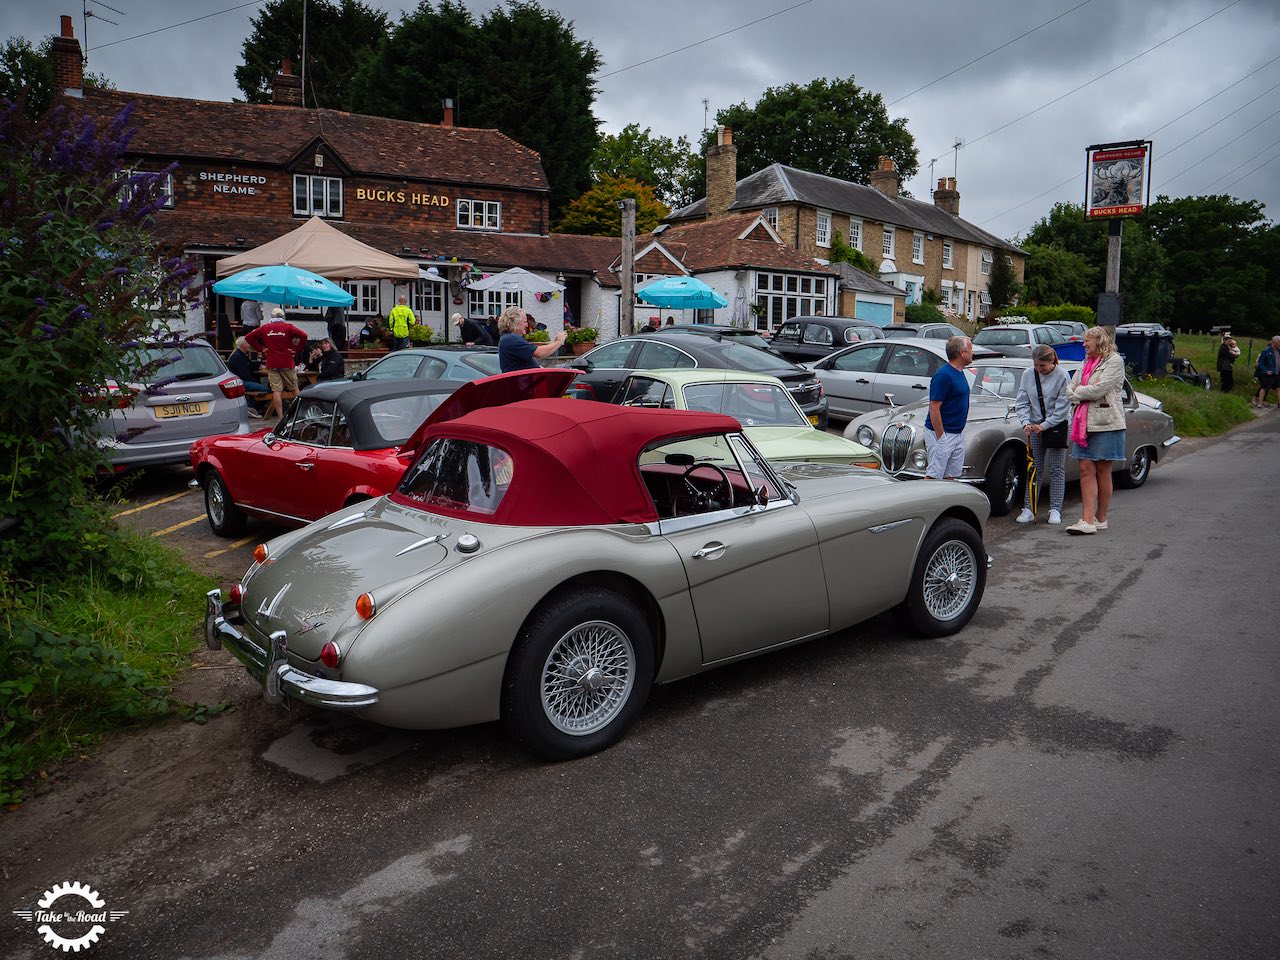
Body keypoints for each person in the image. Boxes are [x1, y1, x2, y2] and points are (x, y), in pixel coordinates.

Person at [1064, 326, 1126, 535]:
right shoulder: (1085, 362)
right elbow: (1069, 389)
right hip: (1084, 423)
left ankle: (1101, 518)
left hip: (1106, 422)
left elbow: (1099, 390)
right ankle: (1087, 520)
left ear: (1099, 342)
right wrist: (1082, 392)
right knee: (1085, 469)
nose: (1083, 345)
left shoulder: (1114, 361)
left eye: (1086, 342)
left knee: (1102, 470)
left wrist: (1079, 392)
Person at [1014, 344, 1070, 525]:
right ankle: (1029, 508)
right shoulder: (1028, 374)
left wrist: (1045, 425)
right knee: (1034, 468)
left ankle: (1055, 509)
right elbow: (1022, 402)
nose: (1039, 369)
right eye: (1036, 365)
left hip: (1056, 427)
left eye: (1043, 366)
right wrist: (1026, 423)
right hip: (1034, 427)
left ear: (1052, 361)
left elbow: (1063, 408)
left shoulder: (1062, 375)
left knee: (1056, 469)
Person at [923, 335, 974, 479]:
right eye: (970, 349)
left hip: (957, 433)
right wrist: (941, 437)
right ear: (962, 353)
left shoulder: (960, 372)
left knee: (951, 476)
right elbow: (934, 407)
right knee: (933, 476)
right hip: (941, 434)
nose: (973, 352)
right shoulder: (943, 376)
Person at [245, 307, 308, 421]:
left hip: (272, 362)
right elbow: (304, 335)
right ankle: (300, 413)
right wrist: (296, 349)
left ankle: (280, 417)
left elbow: (249, 337)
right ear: (282, 316)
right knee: (294, 389)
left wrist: (261, 349)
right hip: (286, 362)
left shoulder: (265, 328)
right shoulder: (288, 327)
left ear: (272, 317)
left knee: (276, 391)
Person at [497, 304, 565, 372]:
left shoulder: (508, 338)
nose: (527, 325)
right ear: (514, 322)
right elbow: (540, 352)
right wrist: (559, 342)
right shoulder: (511, 339)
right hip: (524, 381)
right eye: (525, 322)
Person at [226, 336, 268, 418]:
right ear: (243, 345)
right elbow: (245, 375)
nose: (249, 345)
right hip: (241, 382)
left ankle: (254, 408)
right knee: (267, 389)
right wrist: (255, 382)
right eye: (247, 343)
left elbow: (252, 367)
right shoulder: (238, 356)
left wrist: (259, 359)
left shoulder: (242, 355)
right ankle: (251, 407)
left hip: (242, 380)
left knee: (263, 388)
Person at [1251, 335, 1280, 408]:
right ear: (1274, 342)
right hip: (1269, 373)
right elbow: (1260, 363)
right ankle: (1260, 403)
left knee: (1278, 388)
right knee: (1264, 387)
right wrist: (1266, 371)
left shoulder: (1279, 351)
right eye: (1279, 342)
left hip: (1277, 373)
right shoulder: (1266, 351)